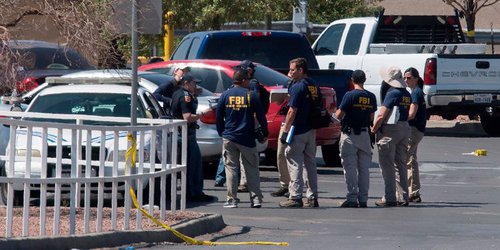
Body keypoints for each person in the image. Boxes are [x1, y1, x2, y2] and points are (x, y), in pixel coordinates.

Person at [216, 67, 268, 208]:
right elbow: (262, 118)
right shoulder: (251, 95)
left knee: (231, 168)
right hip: (247, 138)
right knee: (251, 168)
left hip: (229, 137)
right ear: (244, 80)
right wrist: (265, 133)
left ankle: (231, 199)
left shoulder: (225, 95)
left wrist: (222, 132)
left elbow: (219, 116)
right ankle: (256, 198)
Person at [279, 58, 319, 208]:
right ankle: (312, 196)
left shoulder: (298, 86)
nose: (290, 72)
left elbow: (292, 110)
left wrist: (285, 130)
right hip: (311, 129)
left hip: (298, 130)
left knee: (294, 162)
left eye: (292, 69)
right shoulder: (313, 84)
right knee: (310, 164)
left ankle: (295, 197)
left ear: (300, 70)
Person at [335, 70, 377, 208]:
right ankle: (363, 199)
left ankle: (352, 198)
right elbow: (371, 118)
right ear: (364, 80)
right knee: (364, 168)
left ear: (352, 80)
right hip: (365, 134)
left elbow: (339, 114)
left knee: (350, 167)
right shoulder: (371, 97)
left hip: (350, 134)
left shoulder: (350, 95)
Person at [371, 67, 411, 207]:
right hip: (405, 128)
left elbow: (382, 114)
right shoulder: (406, 93)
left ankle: (389, 197)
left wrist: (374, 129)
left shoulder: (392, 93)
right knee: (400, 164)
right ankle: (403, 196)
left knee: (387, 165)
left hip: (390, 129)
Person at [171, 73, 214, 202]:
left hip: (180, 133)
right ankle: (194, 193)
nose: (195, 86)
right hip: (186, 133)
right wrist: (202, 114)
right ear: (186, 83)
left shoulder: (178, 93)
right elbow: (187, 117)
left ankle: (191, 192)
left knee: (189, 164)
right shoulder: (185, 97)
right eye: (194, 83)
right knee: (193, 164)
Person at [404, 67, 426, 203]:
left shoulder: (416, 93)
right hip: (417, 130)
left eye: (409, 78)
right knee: (411, 158)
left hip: (414, 130)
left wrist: (398, 119)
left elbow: (411, 114)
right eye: (405, 78)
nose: (406, 80)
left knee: (409, 160)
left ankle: (413, 192)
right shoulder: (416, 92)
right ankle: (413, 191)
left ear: (416, 79)